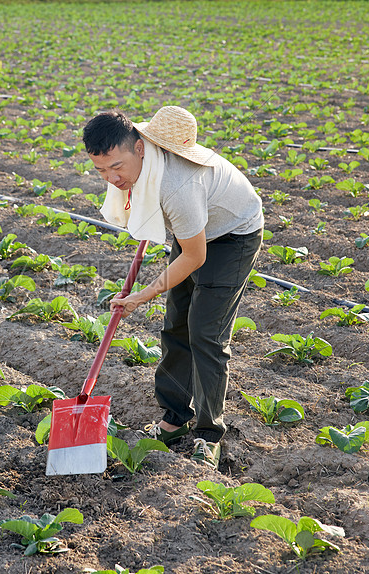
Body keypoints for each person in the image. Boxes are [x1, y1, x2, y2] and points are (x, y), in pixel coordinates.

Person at [82, 106, 263, 468]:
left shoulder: (178, 185)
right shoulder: (143, 164)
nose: (111, 178)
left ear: (139, 148)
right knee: (176, 325)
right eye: (101, 170)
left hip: (233, 235)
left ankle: (209, 433)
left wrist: (142, 295)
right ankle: (174, 419)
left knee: (205, 333)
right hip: (197, 228)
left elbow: (194, 256)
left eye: (116, 167)